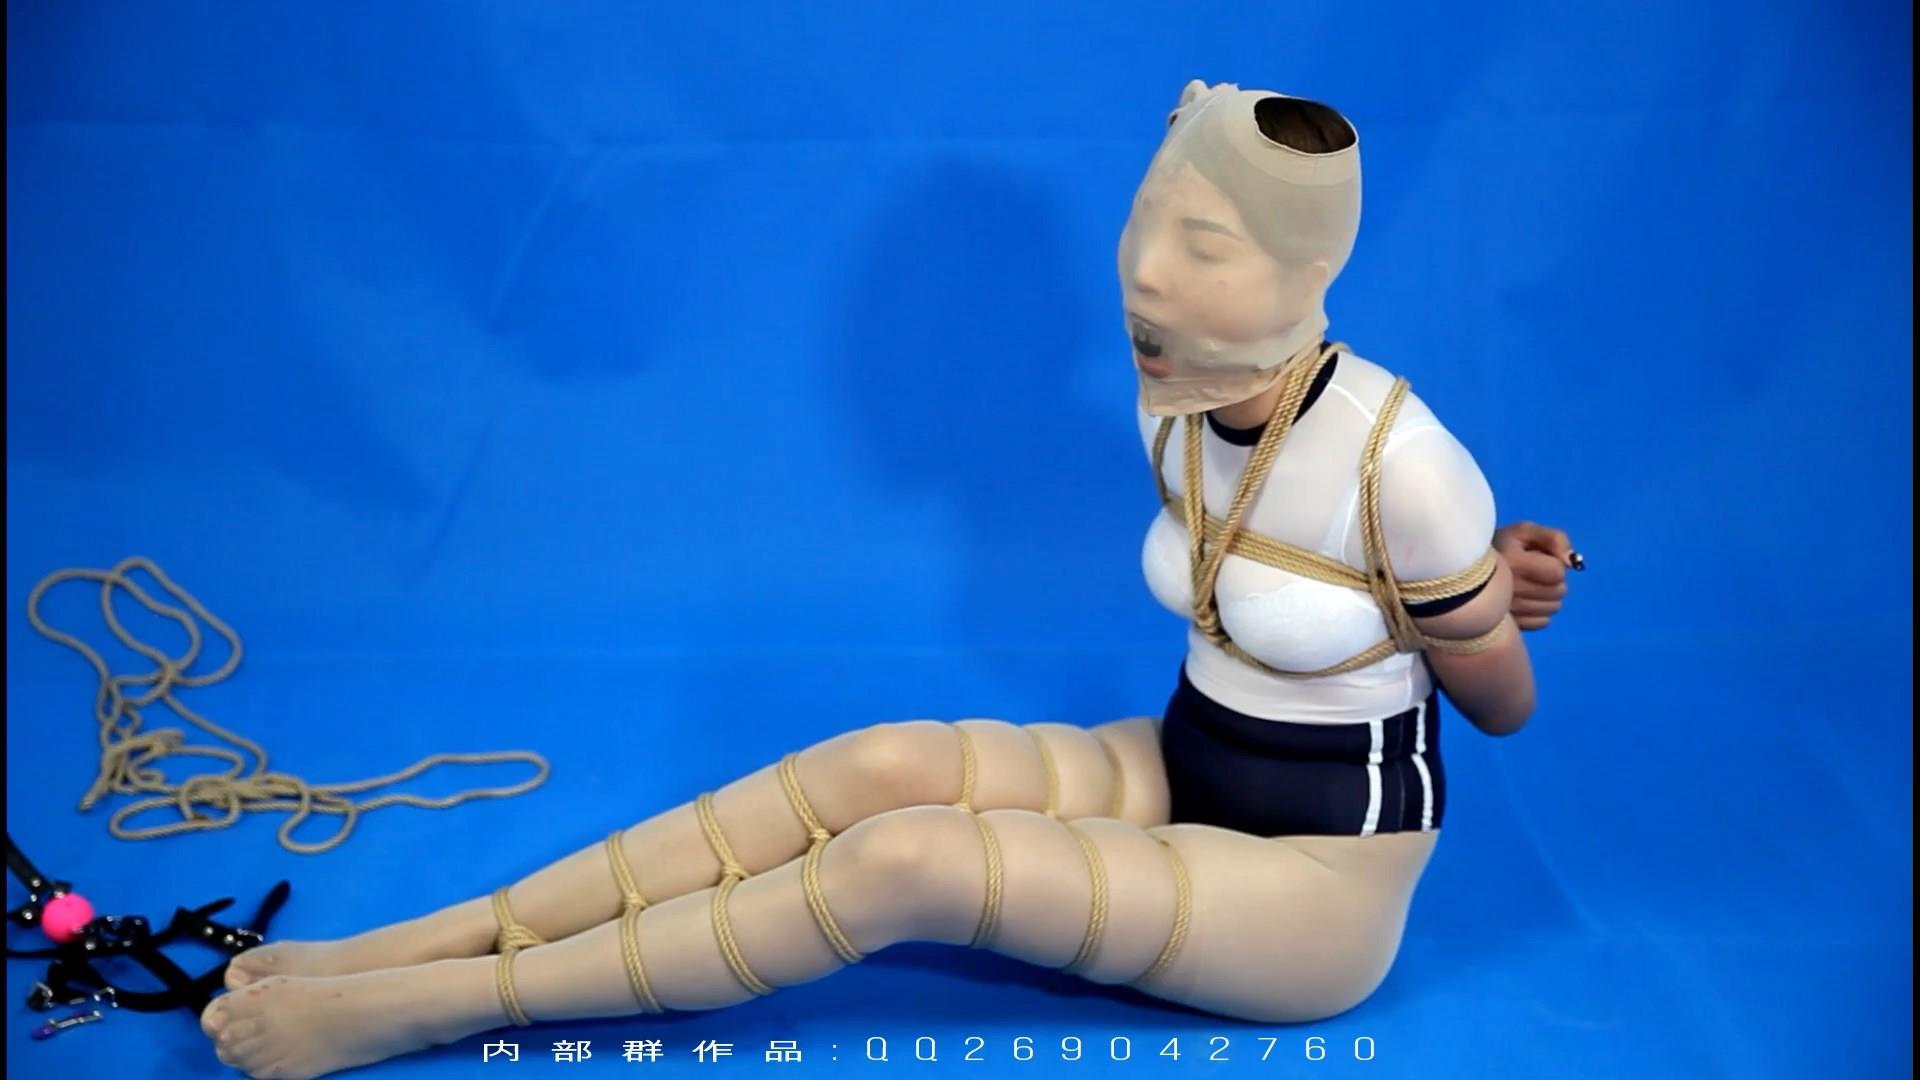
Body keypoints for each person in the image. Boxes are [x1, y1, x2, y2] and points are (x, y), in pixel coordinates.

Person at [196, 80, 1578, 1080]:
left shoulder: (1406, 465)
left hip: (1320, 880)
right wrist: (1443, 591)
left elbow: (1500, 710)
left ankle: (440, 1008)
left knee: (903, 862)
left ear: (1310, 267)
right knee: (879, 767)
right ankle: (425, 942)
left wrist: (1468, 600)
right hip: (1182, 761)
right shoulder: (1175, 402)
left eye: (1203, 247)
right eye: (1147, 220)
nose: (1148, 276)